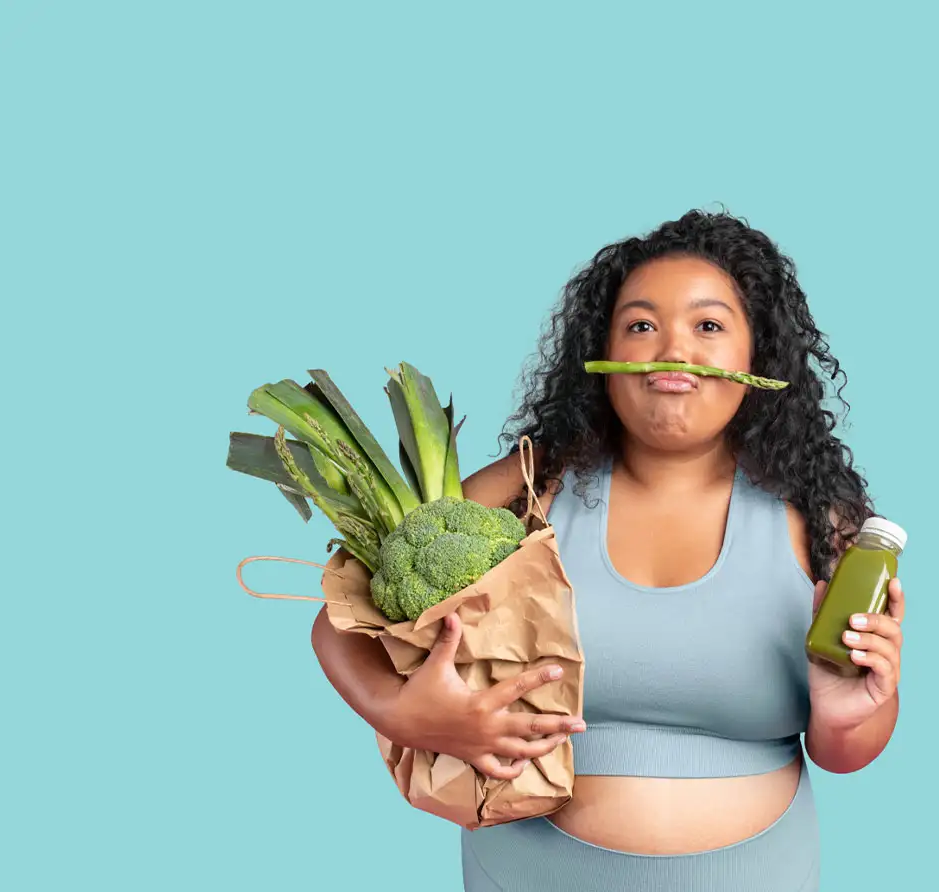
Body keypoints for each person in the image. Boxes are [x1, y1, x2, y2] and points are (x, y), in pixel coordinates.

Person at [309, 209, 908, 890]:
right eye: (641, 325)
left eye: (708, 326)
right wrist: (401, 711)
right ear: (602, 355)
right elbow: (342, 618)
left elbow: (845, 754)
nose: (671, 349)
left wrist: (846, 710)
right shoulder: (533, 484)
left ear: (757, 357)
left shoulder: (823, 520)